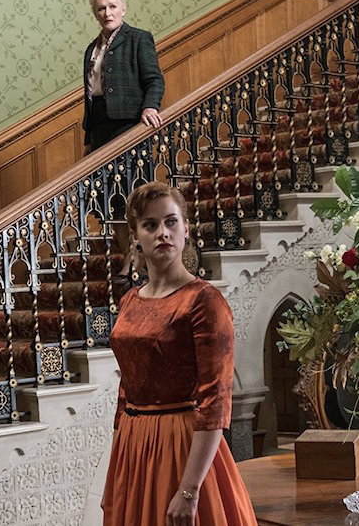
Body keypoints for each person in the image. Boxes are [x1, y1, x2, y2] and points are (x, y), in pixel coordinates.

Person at [102, 181, 257, 526]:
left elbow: (216, 401)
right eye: (150, 224)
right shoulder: (130, 300)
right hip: (133, 444)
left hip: (181, 446)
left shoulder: (204, 301)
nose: (162, 233)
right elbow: (126, 388)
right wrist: (118, 467)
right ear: (135, 236)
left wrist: (189, 489)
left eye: (171, 222)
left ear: (186, 229)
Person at [82, 0, 165, 154]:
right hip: (98, 126)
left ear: (123, 10)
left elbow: (155, 80)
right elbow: (89, 96)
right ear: (96, 15)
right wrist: (89, 140)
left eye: (113, 6)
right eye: (101, 8)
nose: (107, 13)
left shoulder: (139, 38)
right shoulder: (91, 49)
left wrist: (150, 106)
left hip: (129, 123)